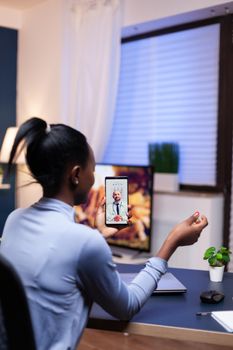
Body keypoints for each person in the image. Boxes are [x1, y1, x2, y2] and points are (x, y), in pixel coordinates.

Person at [0, 117, 208, 350]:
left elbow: (57, 259)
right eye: (94, 169)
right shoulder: (84, 242)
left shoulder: (14, 220)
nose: (93, 178)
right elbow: (126, 306)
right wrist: (172, 241)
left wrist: (97, 233)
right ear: (76, 174)